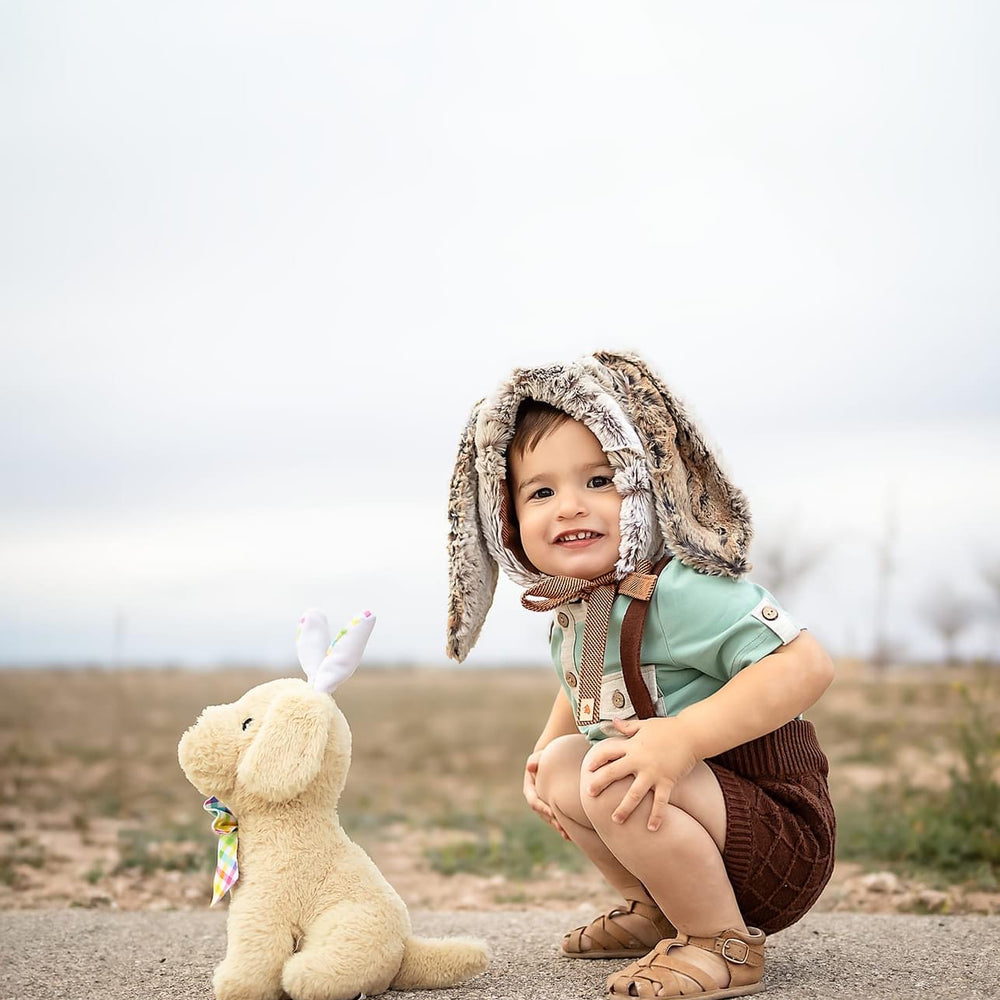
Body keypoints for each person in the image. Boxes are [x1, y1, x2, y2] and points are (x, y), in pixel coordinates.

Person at [446, 352, 836, 1000]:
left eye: (600, 480)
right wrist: (543, 753)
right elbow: (588, 686)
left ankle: (723, 943)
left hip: (779, 835)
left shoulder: (681, 587)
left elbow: (805, 664)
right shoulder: (585, 607)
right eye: (541, 491)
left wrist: (678, 739)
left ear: (649, 483)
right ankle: (663, 909)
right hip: (708, 825)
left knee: (616, 769)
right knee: (569, 765)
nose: (569, 506)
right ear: (506, 519)